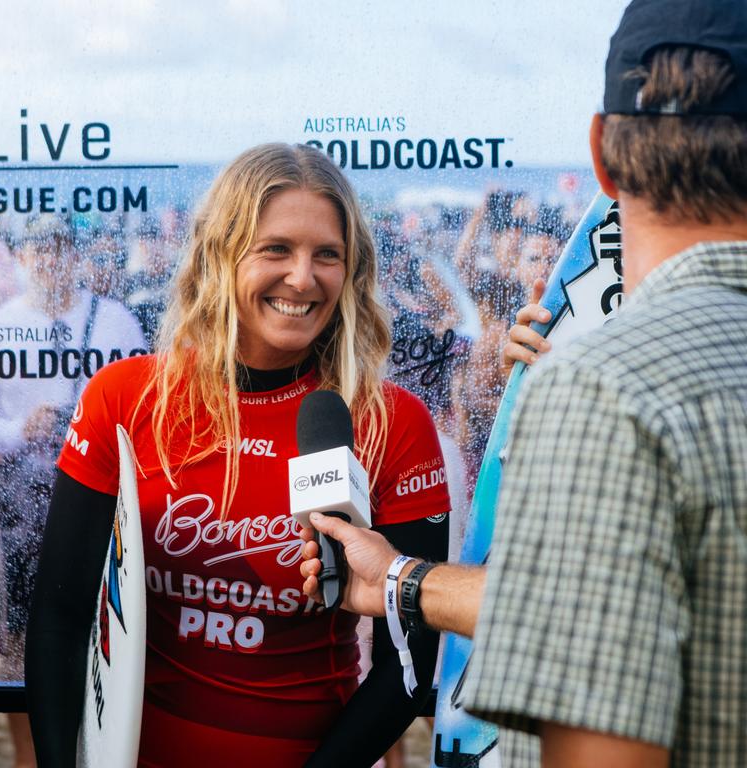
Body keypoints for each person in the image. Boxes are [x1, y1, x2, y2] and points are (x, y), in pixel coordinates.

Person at [301, 1, 747, 765]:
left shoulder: (604, 389)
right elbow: (619, 610)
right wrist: (403, 578)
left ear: (603, 156)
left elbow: (602, 707)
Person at [25, 143, 451, 767]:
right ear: (220, 256)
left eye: (327, 255)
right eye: (276, 248)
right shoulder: (126, 398)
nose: (303, 278)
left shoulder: (391, 422)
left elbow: (409, 665)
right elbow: (61, 616)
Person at [0, 212, 146, 766]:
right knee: (24, 642)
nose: (51, 259)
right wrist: (22, 431)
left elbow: (140, 408)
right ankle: (30, 757)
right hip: (23, 504)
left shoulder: (115, 322)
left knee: (106, 629)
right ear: (21, 258)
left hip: (99, 498)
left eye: (61, 249)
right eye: (40, 249)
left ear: (76, 256)